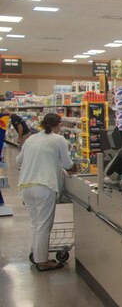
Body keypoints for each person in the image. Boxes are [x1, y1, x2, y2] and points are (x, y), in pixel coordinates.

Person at [16, 113, 77, 271]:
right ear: (58, 125)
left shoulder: (31, 139)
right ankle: (43, 261)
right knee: (44, 226)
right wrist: (68, 169)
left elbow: (18, 161)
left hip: (26, 186)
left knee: (36, 225)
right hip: (44, 186)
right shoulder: (58, 139)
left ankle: (37, 256)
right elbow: (68, 163)